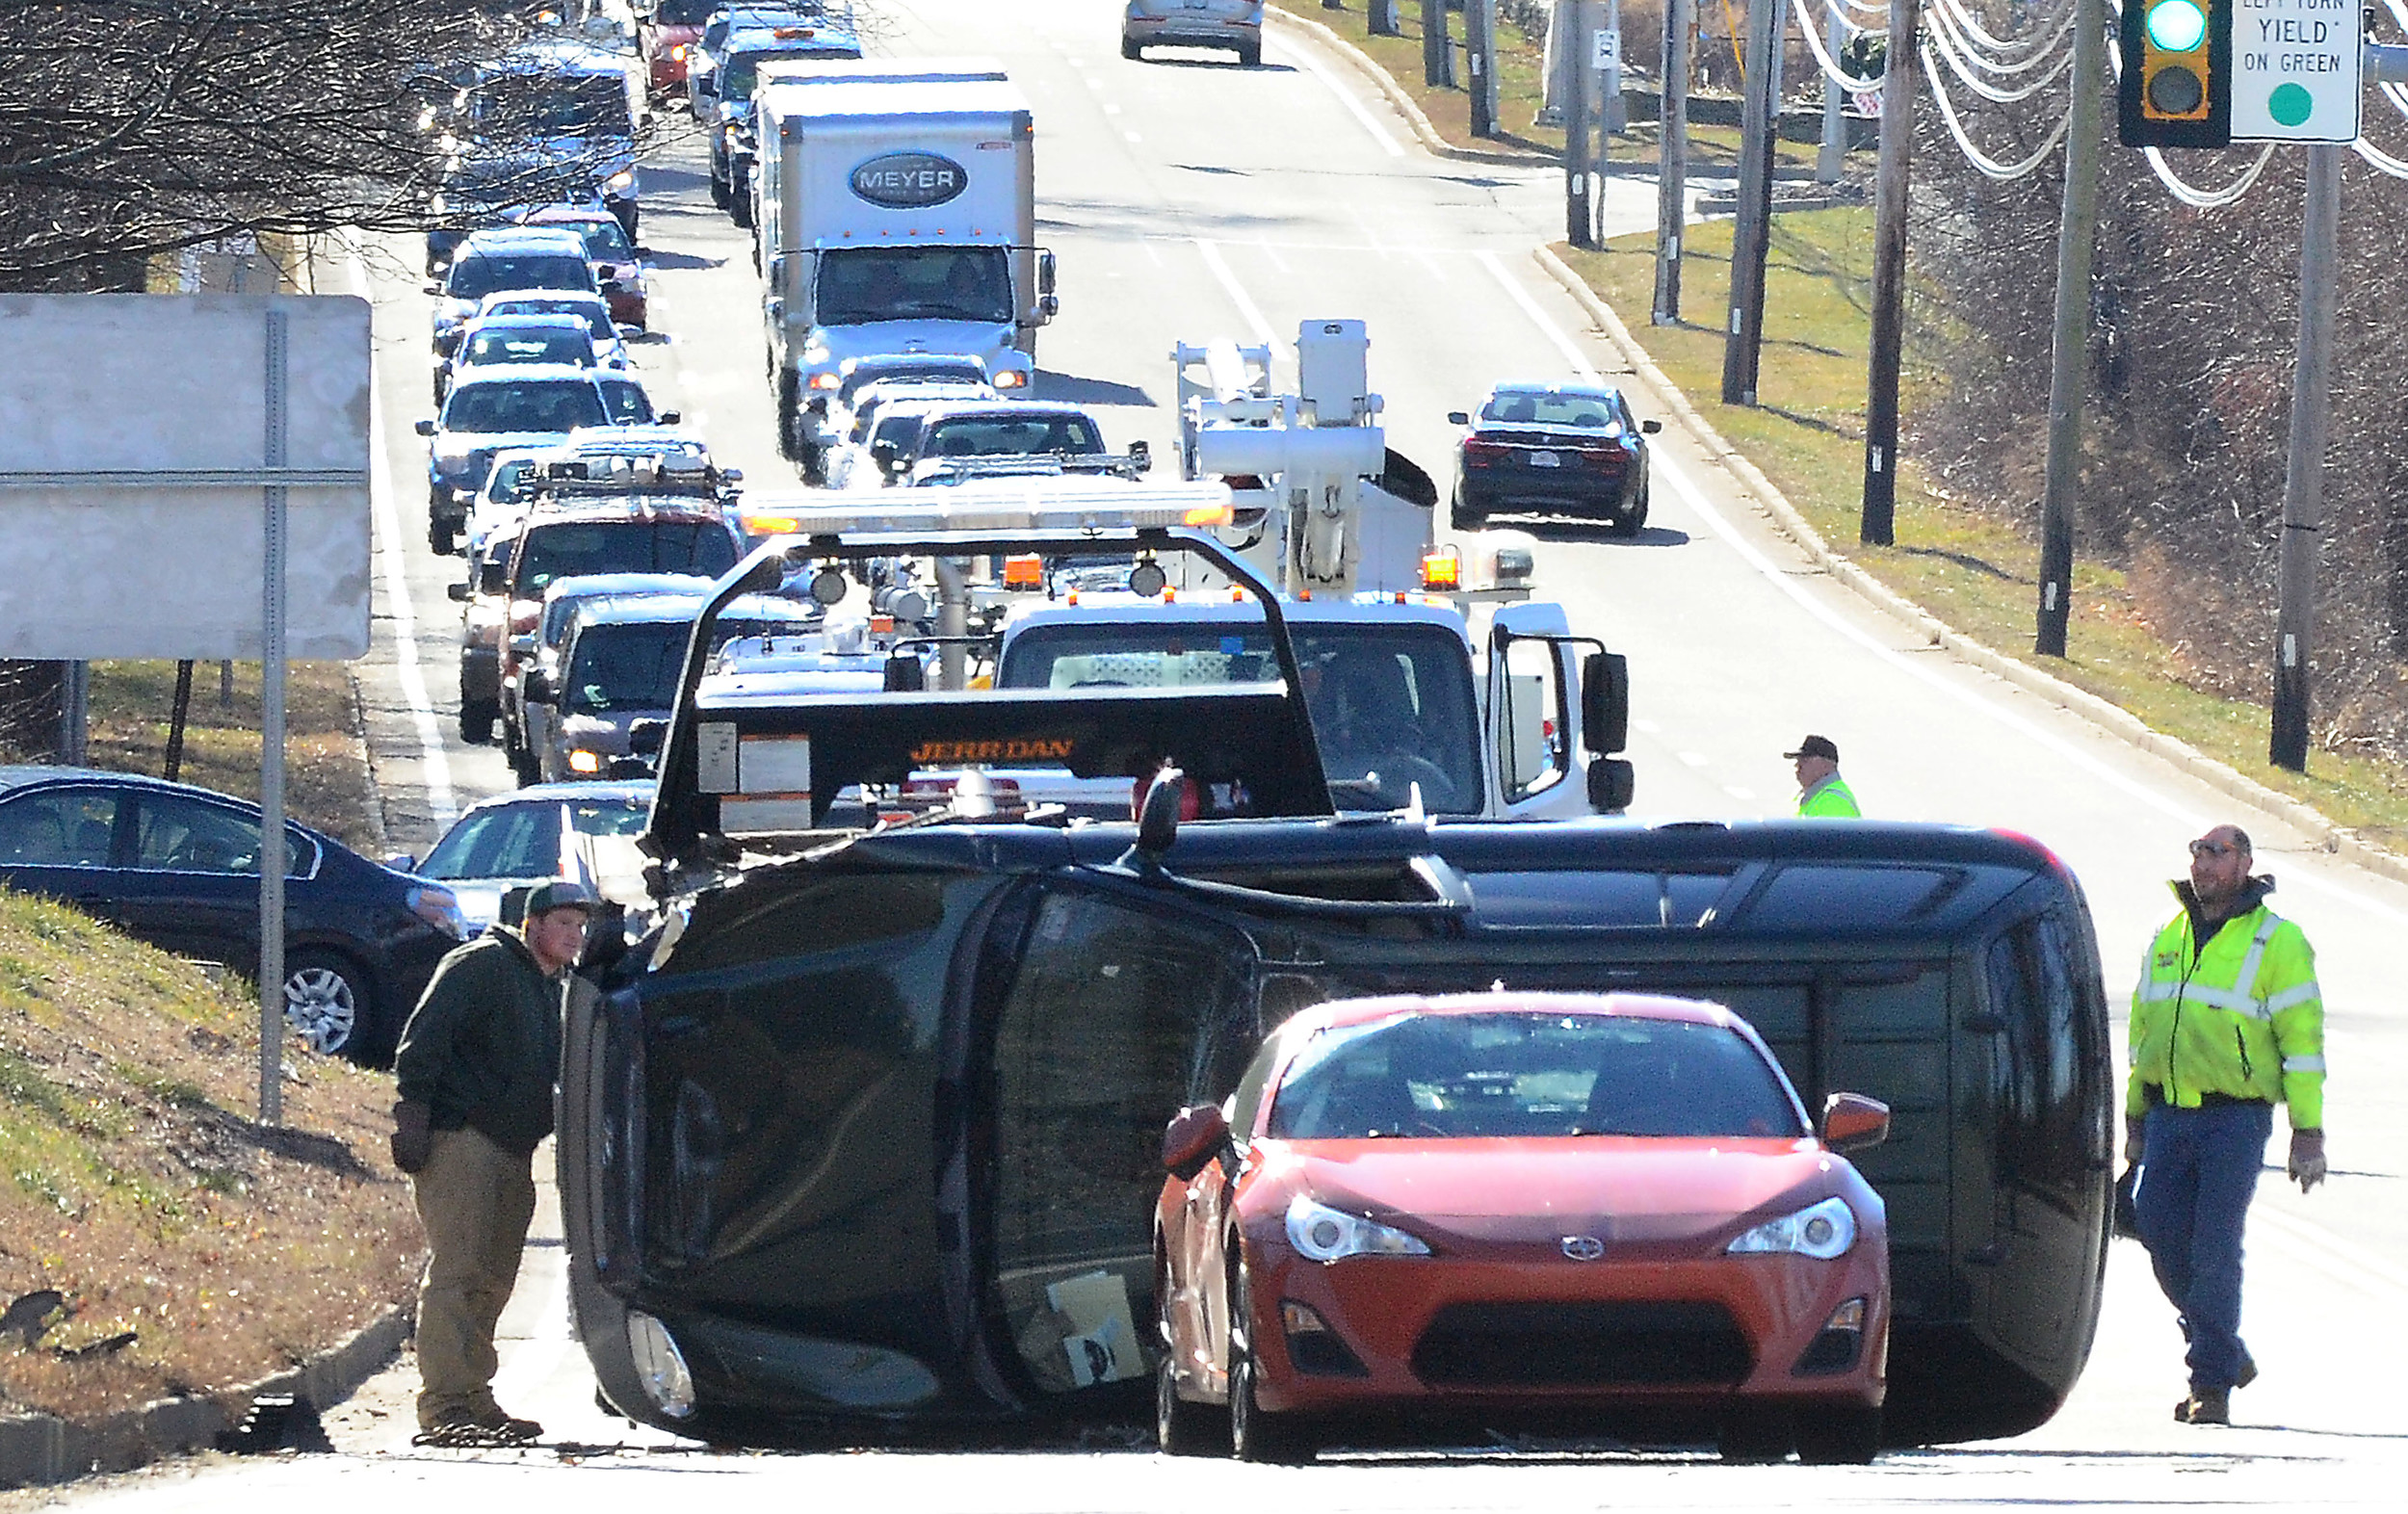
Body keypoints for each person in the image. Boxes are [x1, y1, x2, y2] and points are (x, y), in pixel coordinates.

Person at [2126, 824, 2326, 1426]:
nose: (2203, 864)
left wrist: (2307, 1131)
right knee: (2158, 1232)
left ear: (2245, 864)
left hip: (2234, 1119)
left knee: (2214, 1249)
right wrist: (2135, 1116)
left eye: (2217, 854)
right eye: (2196, 852)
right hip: (2167, 1115)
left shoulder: (2278, 942)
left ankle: (2209, 1383)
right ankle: (2226, 1348)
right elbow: (2145, 1030)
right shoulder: (2168, 931)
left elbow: (2304, 1042)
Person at [389, 879, 598, 1447]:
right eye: (563, 924)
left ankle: (475, 1400)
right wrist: (412, 1115)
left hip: (513, 1148)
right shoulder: (481, 964)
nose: (574, 936)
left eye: (581, 926)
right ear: (531, 925)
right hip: (462, 1140)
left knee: (493, 1279)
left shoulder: (552, 986)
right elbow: (423, 1039)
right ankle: (444, 1404)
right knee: (459, 1274)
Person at [1786, 734, 1860, 816]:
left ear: (1824, 764)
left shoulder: (1833, 801)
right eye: (1798, 760)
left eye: (1805, 760)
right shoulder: (1816, 798)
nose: (1797, 765)